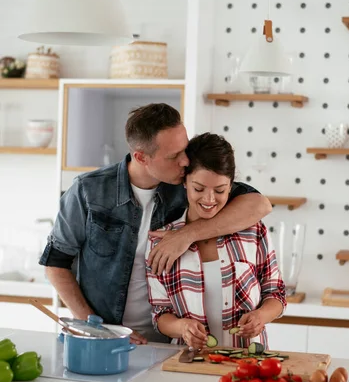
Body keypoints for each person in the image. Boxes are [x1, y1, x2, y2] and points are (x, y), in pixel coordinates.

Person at [40, 104, 272, 344]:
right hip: (103, 338)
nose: (185, 161)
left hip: (168, 342)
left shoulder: (187, 186)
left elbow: (259, 205)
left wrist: (186, 235)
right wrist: (100, 329)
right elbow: (56, 263)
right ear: (141, 157)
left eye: (185, 150)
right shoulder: (88, 191)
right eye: (173, 156)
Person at [146, 133, 286, 349]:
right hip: (189, 362)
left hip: (248, 362)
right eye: (199, 189)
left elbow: (275, 292)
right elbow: (160, 313)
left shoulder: (253, 231)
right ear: (184, 182)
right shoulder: (161, 241)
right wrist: (182, 327)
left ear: (231, 186)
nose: (209, 200)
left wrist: (261, 316)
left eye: (220, 190)